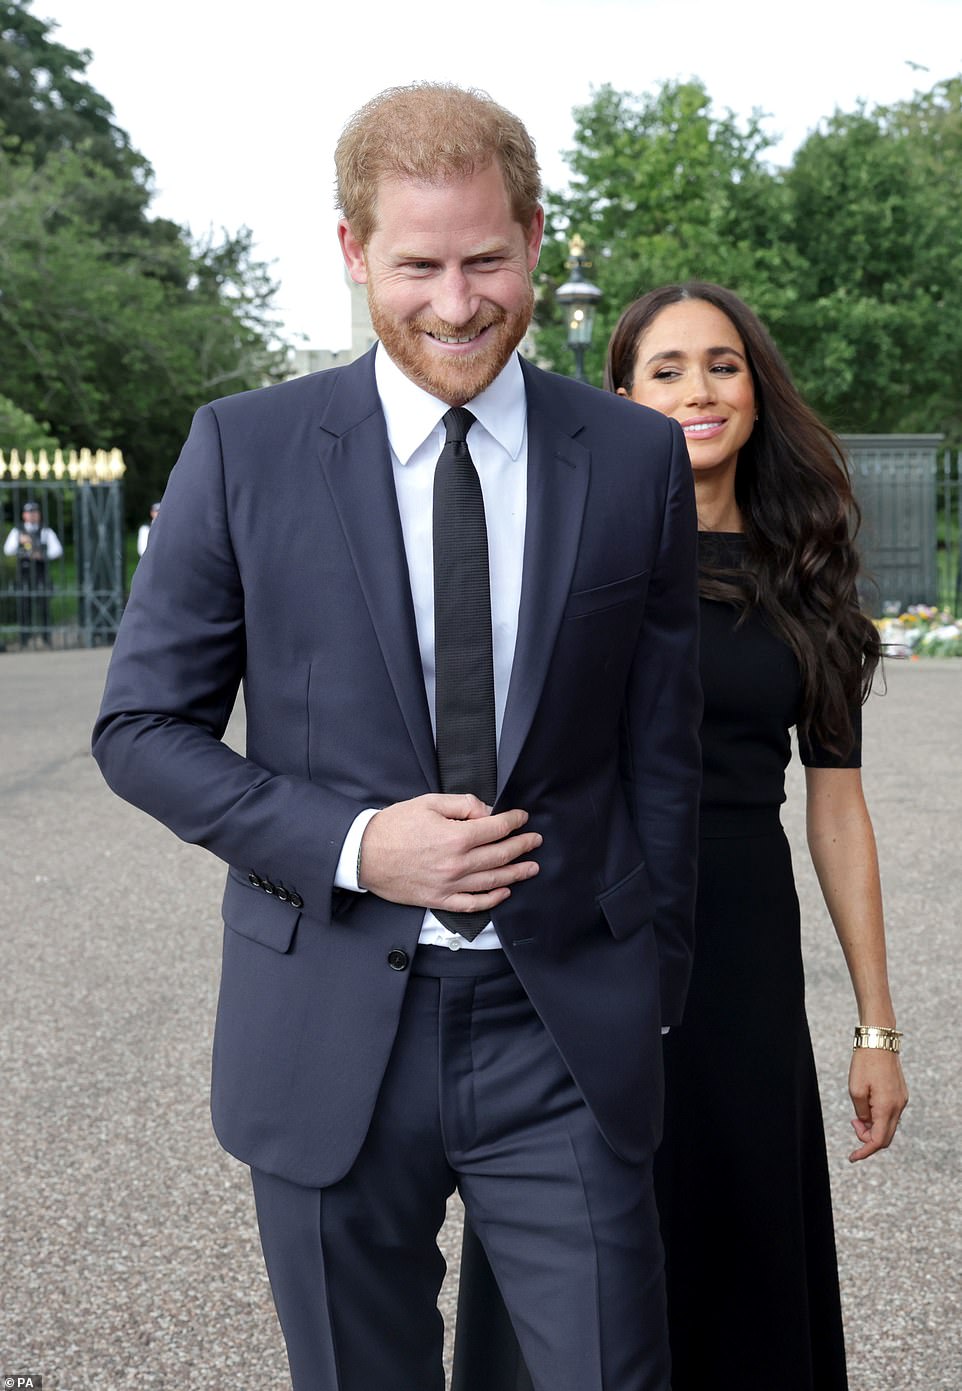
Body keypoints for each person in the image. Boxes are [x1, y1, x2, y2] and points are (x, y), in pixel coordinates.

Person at [91, 85, 702, 1391]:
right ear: (354, 251)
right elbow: (140, 729)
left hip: (562, 1029)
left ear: (535, 236)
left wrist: (651, 981)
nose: (455, 299)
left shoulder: (635, 458)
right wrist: (361, 842)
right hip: (324, 1022)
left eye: (486, 258)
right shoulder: (243, 452)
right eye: (417, 263)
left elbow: (661, 753)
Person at [452, 282, 909, 1391]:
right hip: (587, 941)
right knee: (578, 1250)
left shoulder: (805, 570)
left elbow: (835, 803)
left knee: (744, 1240)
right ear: (619, 399)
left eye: (721, 364)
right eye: (664, 370)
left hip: (741, 958)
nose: (697, 390)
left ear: (755, 389)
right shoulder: (563, 559)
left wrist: (875, 1027)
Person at [3, 499, 64, 646]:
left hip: (40, 572)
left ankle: (46, 637)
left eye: (35, 512)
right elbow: (8, 549)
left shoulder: (45, 531)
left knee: (43, 605)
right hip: (24, 573)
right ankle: (24, 638)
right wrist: (20, 541)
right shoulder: (17, 531)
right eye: (29, 513)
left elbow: (57, 550)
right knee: (24, 605)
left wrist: (42, 555)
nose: (32, 515)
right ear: (24, 515)